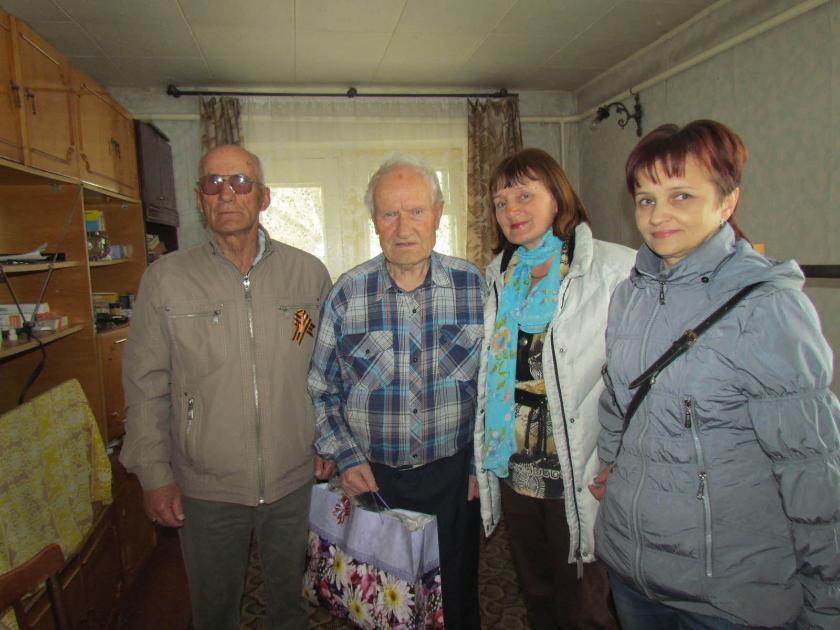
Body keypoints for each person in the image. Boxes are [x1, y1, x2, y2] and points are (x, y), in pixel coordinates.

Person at [592, 120, 840, 629]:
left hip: (726, 593)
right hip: (633, 571)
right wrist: (613, 463)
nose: (658, 215)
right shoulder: (630, 295)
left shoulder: (766, 306)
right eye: (645, 199)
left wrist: (827, 602)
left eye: (681, 196)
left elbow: (811, 467)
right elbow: (618, 399)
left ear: (727, 202)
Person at [120, 144, 334, 630]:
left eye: (240, 182)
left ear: (264, 197)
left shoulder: (308, 275)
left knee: (292, 609)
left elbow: (326, 369)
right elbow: (145, 385)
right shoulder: (165, 280)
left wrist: (328, 442)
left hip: (294, 480)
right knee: (214, 614)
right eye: (213, 184)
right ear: (200, 199)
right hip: (206, 486)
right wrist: (154, 474)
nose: (227, 194)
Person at [308, 154, 484, 629]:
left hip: (453, 479)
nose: (403, 227)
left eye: (416, 211)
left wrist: (478, 466)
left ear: (438, 214)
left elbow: (491, 391)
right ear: (374, 220)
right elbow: (321, 388)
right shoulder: (347, 293)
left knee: (456, 599)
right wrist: (346, 458)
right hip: (373, 483)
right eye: (389, 213)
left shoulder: (474, 287)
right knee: (380, 604)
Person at [472, 148, 633, 629]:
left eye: (524, 195)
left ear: (558, 197)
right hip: (517, 470)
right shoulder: (500, 276)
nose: (511, 210)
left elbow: (637, 376)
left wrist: (622, 456)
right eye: (500, 202)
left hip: (578, 473)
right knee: (538, 595)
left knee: (585, 607)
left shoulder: (611, 270)